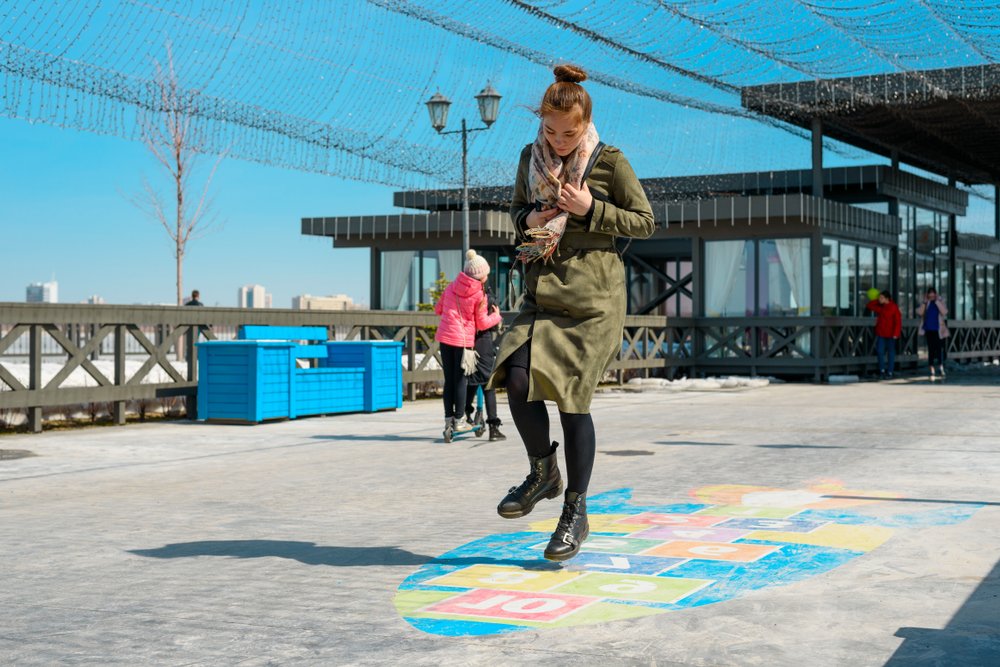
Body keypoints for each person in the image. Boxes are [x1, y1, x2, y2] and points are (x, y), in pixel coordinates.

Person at [487, 64, 655, 562]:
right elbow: (516, 212)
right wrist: (529, 218)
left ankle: (575, 512)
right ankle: (545, 472)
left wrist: (589, 209)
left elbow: (645, 221)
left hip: (593, 301)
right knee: (516, 381)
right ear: (540, 122)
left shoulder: (611, 162)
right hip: (543, 293)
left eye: (569, 133)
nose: (559, 141)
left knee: (571, 401)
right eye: (550, 130)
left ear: (586, 125)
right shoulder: (528, 159)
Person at [434, 250, 502, 442]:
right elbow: (481, 323)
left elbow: (438, 309)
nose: (487, 276)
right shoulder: (479, 295)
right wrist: (496, 316)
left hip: (445, 338)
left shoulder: (450, 287)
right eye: (486, 274)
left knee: (449, 380)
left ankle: (448, 420)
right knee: (461, 380)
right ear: (480, 275)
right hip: (464, 341)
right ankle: (460, 419)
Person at [463, 286, 506, 441]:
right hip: (482, 341)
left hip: (465, 341)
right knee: (488, 384)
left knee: (471, 379)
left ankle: (464, 414)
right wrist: (497, 316)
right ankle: (493, 427)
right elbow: (486, 323)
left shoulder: (462, 293)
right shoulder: (484, 295)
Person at [865, 290, 901, 380]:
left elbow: (898, 321)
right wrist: (878, 300)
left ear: (887, 298)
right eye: (879, 297)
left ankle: (890, 372)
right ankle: (882, 370)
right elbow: (869, 305)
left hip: (891, 334)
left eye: (881, 298)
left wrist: (896, 333)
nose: (879, 299)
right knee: (880, 352)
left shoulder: (893, 307)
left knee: (891, 353)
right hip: (881, 333)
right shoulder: (881, 307)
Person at [917, 287, 950, 381]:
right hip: (928, 329)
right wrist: (924, 302)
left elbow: (944, 312)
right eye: (929, 294)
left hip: (938, 330)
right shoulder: (926, 302)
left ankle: (941, 367)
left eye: (933, 293)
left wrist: (936, 301)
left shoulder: (939, 301)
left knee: (939, 349)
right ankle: (931, 368)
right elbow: (919, 312)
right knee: (931, 349)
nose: (931, 295)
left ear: (935, 294)